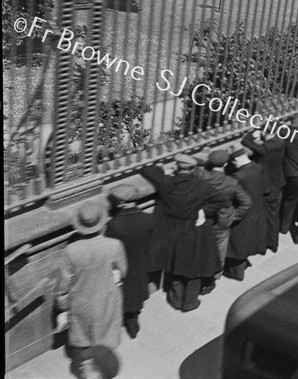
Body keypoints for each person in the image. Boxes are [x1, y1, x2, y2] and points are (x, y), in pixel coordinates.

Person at [140, 154, 220, 312]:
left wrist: (162, 166)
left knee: (176, 267)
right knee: (194, 270)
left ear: (177, 167)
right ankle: (190, 302)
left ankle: (175, 300)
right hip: (194, 231)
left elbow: (146, 169)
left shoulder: (166, 182)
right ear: (193, 169)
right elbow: (222, 199)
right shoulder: (202, 185)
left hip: (173, 232)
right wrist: (204, 211)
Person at [56, 202, 127, 379]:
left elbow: (63, 286)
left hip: (81, 303)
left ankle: (87, 372)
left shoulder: (70, 250)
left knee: (84, 342)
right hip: (107, 299)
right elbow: (123, 271)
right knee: (105, 339)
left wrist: (62, 306)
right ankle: (102, 370)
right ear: (101, 224)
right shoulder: (114, 245)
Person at [195, 149, 252, 292]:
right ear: (226, 164)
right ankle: (213, 277)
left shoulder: (200, 175)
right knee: (220, 250)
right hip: (222, 221)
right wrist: (233, 215)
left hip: (202, 219)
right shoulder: (231, 182)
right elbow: (246, 202)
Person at [105, 184, 154, 339]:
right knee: (135, 297)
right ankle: (133, 325)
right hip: (140, 264)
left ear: (120, 203)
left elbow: (110, 249)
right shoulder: (148, 218)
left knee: (123, 297)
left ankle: (125, 321)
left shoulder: (114, 225)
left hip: (121, 268)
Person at [224, 147, 268, 281]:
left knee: (238, 244)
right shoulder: (259, 168)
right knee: (246, 241)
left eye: (233, 162)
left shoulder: (239, 176)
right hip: (257, 210)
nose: (233, 165)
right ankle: (240, 267)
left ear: (237, 159)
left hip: (244, 214)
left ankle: (236, 273)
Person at [241, 128, 286, 253]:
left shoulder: (265, 149)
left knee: (262, 217)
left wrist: (251, 134)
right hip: (278, 183)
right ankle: (273, 243)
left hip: (266, 187)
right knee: (273, 215)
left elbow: (246, 141)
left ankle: (262, 246)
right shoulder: (281, 143)